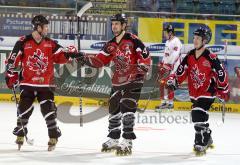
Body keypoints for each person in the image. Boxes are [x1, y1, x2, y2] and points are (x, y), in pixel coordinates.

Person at [75, 13, 151, 156]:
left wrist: (142, 68)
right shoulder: (110, 44)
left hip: (134, 80)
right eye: (113, 24)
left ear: (124, 25)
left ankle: (127, 140)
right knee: (114, 107)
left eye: (117, 24)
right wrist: (83, 58)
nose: (114, 26)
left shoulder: (133, 40)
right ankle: (114, 138)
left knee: (127, 106)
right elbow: (99, 61)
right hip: (118, 81)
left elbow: (146, 57)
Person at [5, 15, 81, 151]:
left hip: (46, 85)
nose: (47, 29)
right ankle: (21, 133)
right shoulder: (23, 42)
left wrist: (71, 54)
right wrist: (10, 74)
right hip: (27, 83)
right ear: (38, 27)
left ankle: (53, 136)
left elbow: (61, 56)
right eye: (45, 27)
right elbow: (12, 60)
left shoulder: (50, 43)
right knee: (23, 109)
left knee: (49, 110)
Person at [167, 26, 230, 155]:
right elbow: (181, 70)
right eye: (194, 37)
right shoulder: (190, 55)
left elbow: (221, 73)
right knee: (199, 115)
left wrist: (223, 88)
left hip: (208, 91)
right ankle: (207, 137)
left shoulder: (211, 57)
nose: (195, 40)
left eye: (198, 38)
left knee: (196, 113)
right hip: (194, 92)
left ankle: (200, 142)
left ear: (205, 40)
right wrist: (175, 81)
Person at [155, 24, 182, 112]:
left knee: (169, 83)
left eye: (165, 32)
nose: (164, 34)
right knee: (162, 83)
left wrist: (168, 65)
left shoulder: (176, 41)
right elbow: (166, 54)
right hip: (166, 66)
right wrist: (162, 62)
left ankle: (170, 103)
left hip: (173, 66)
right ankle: (163, 102)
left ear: (170, 32)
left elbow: (175, 55)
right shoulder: (167, 42)